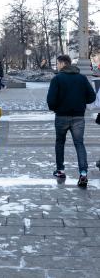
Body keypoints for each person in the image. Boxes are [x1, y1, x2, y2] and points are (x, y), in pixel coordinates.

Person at [47, 55, 96, 188]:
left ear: (63, 63)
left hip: (61, 116)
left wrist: (57, 108)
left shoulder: (57, 79)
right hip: (79, 117)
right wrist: (80, 103)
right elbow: (92, 96)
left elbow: (50, 101)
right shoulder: (81, 78)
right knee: (79, 144)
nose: (57, 66)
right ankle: (83, 173)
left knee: (60, 142)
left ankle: (60, 170)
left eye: (58, 63)